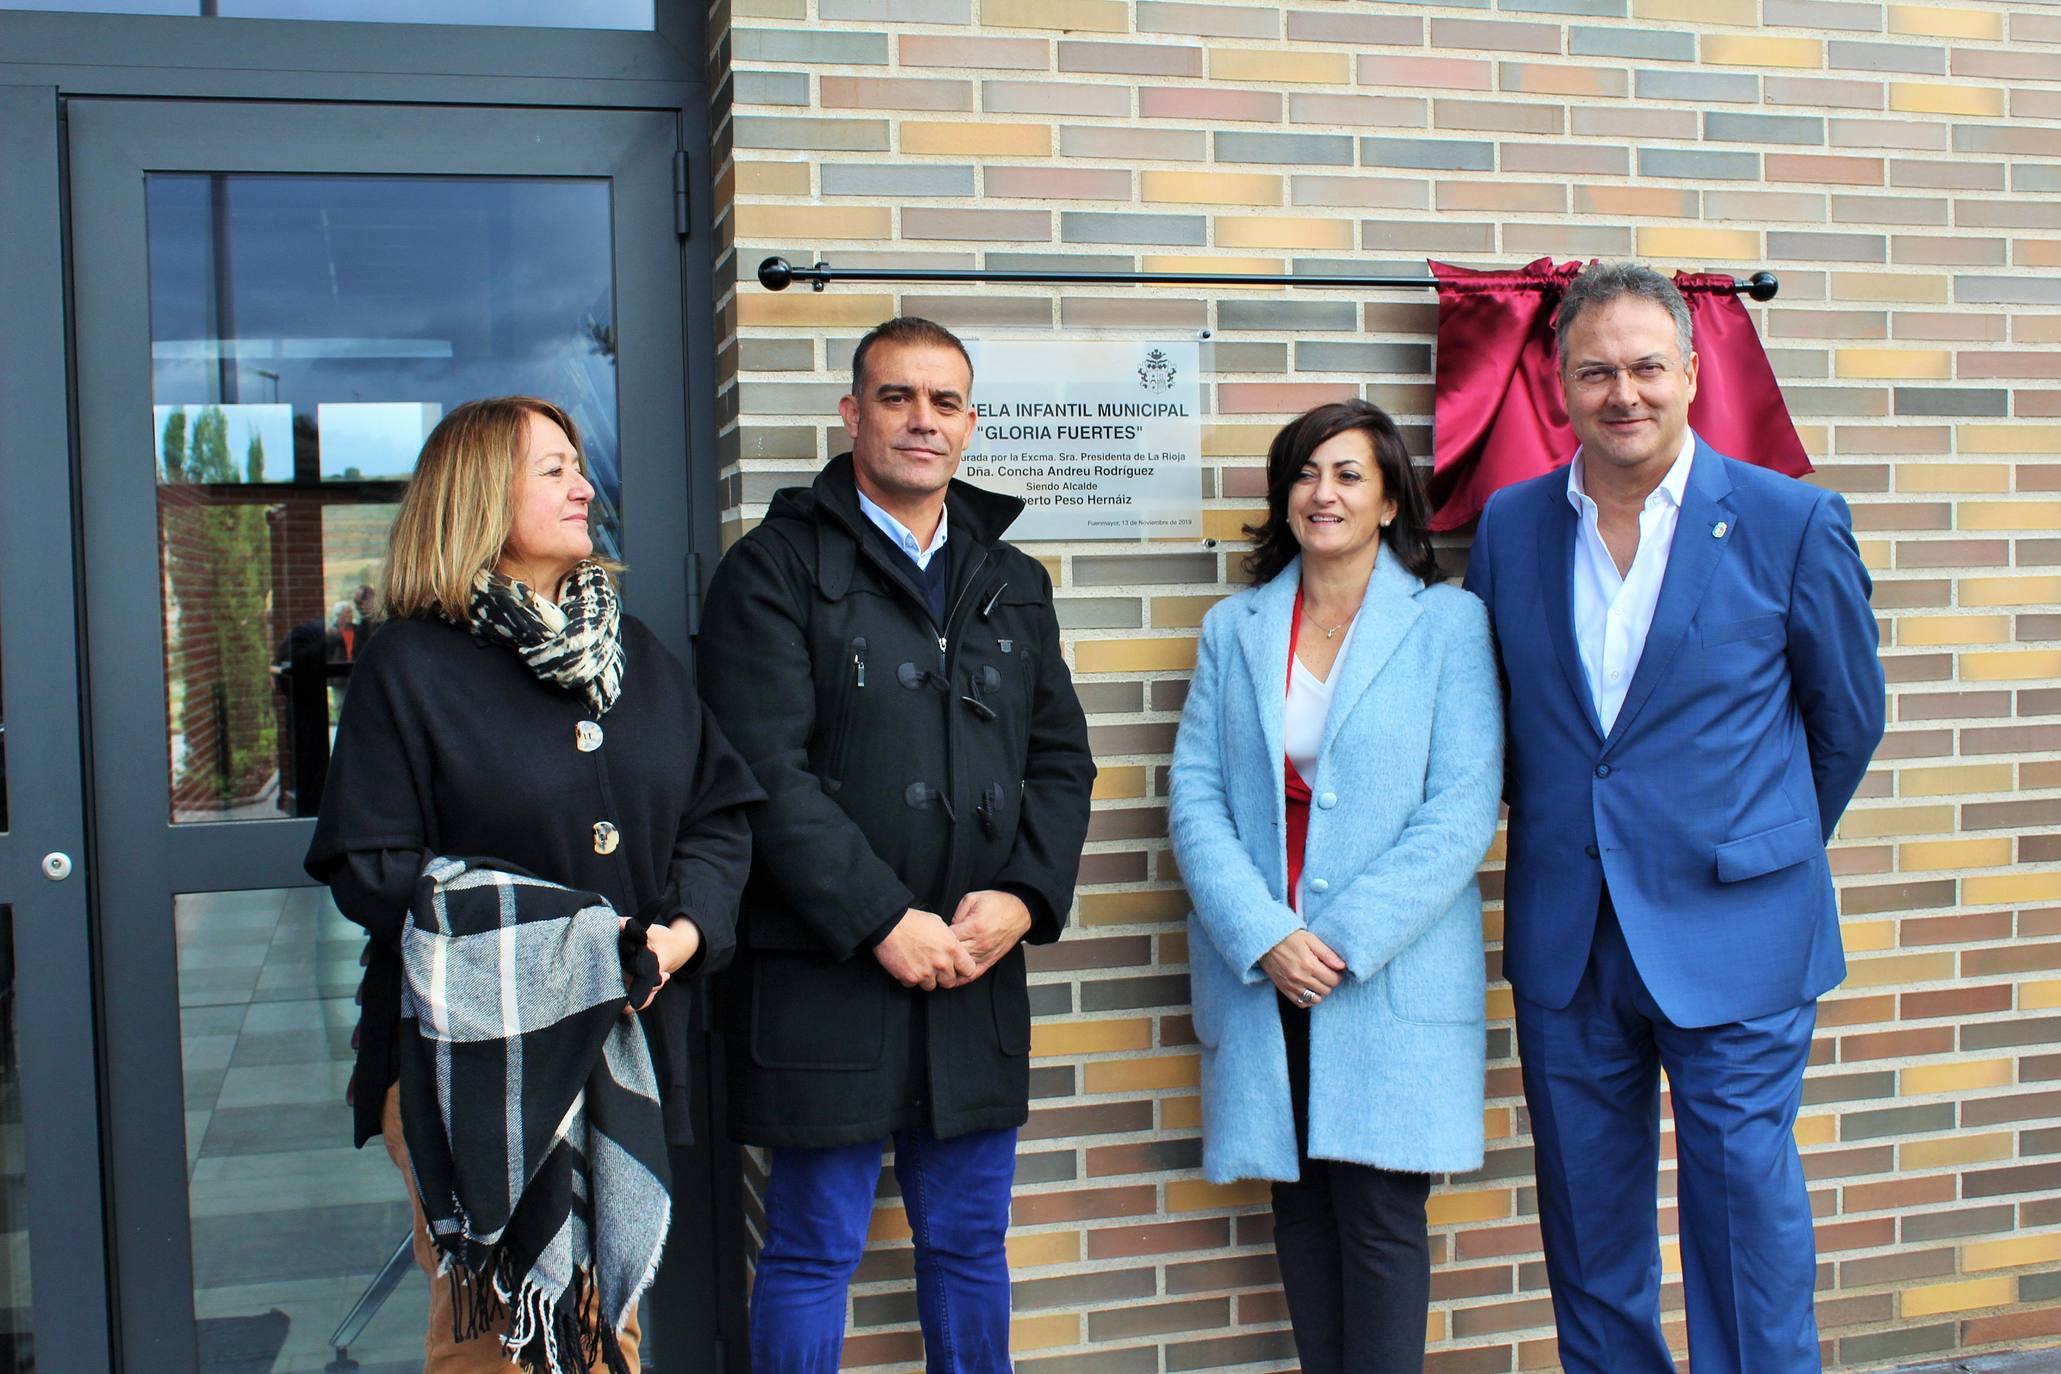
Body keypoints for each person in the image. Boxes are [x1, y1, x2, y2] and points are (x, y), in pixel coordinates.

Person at [1462, 261, 1885, 1374]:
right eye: (1596, 371)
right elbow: (1509, 728)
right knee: (1591, 1243)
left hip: (1737, 932)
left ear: (1694, 374)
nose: (1624, 394)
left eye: (1649, 366)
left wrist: (1755, 846)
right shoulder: (1509, 530)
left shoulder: (1789, 522)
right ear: (1558, 384)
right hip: (1571, 935)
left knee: (1745, 1230)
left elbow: (1845, 722)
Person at [305, 396, 763, 1373]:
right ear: (479, 494)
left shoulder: (631, 652)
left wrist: (682, 931)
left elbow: (719, 815)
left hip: (625, 1045)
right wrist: (564, 944)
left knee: (605, 1329)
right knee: (499, 1344)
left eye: (578, 466)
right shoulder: (409, 664)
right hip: (474, 1066)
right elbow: (371, 867)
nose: (584, 486)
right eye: (553, 468)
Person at [697, 317, 1095, 1374]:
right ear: (852, 414)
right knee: (812, 1248)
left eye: (946, 401)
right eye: (897, 397)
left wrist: (1021, 899)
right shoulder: (771, 570)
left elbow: (1062, 762)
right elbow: (762, 772)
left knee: (969, 1244)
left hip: (974, 964)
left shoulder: (1013, 580)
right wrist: (881, 919)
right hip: (828, 970)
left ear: (970, 424)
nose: (923, 420)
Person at [1168, 400, 1503, 1374]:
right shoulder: (1236, 630)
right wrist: (1264, 932)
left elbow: (1461, 810)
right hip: (1265, 973)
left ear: (1392, 499)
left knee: (1380, 1223)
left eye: (1350, 474)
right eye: (1308, 473)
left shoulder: (1447, 625)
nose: (1325, 493)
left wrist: (1341, 940)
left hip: (1381, 976)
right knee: (1302, 1217)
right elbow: (1194, 799)